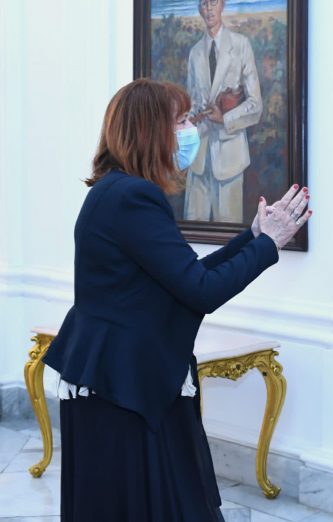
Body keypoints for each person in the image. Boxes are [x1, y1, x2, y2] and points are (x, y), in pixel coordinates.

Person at [42, 78, 311, 522]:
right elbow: (201, 291)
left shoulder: (114, 191)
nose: (191, 130)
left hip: (121, 378)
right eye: (182, 121)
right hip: (124, 385)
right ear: (151, 130)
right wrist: (269, 248)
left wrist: (255, 237)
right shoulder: (133, 197)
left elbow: (185, 276)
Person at [185, 0, 263, 222]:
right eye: (203, 3)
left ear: (223, 5)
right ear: (199, 8)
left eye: (214, 2)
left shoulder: (241, 46)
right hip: (198, 160)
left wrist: (225, 118)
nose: (209, 8)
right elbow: (190, 102)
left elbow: (256, 104)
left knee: (229, 234)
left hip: (230, 158)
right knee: (192, 229)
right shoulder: (195, 53)